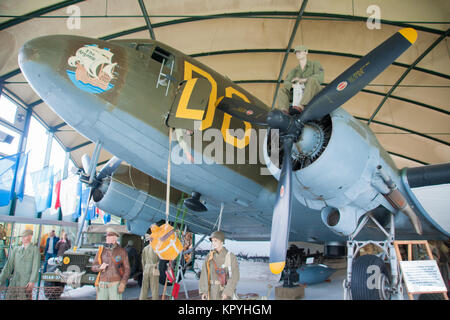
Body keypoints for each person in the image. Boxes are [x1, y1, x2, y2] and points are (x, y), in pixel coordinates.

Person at [276, 45, 324, 114]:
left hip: (314, 92)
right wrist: (293, 86)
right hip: (299, 92)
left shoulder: (315, 64)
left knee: (312, 80)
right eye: (296, 53)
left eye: (299, 52)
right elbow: (286, 82)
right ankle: (284, 111)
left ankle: (301, 106)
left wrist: (304, 80)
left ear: (306, 52)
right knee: (282, 90)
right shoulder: (294, 71)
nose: (297, 54)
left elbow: (320, 77)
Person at [0, 229, 40, 300]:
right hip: (14, 281)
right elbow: (8, 266)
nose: (23, 238)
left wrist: (32, 281)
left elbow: (35, 267)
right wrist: (1, 279)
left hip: (25, 282)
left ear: (30, 237)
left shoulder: (34, 250)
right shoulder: (16, 250)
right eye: (22, 236)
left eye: (26, 236)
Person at [91, 227, 130, 300]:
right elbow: (93, 266)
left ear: (115, 238)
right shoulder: (101, 250)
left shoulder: (122, 251)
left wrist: (123, 283)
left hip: (115, 285)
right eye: (107, 236)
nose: (107, 238)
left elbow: (127, 269)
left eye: (109, 236)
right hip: (102, 284)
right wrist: (99, 267)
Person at [199, 230, 240, 300]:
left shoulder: (230, 256)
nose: (213, 243)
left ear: (221, 241)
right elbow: (204, 274)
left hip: (223, 292)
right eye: (212, 241)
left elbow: (235, 276)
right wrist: (204, 291)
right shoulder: (209, 256)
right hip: (211, 292)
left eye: (215, 241)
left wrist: (227, 292)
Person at [139, 233, 160, 300]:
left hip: (146, 268)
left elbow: (143, 261)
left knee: (144, 287)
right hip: (154, 268)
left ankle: (142, 298)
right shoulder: (157, 248)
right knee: (154, 287)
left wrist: (144, 269)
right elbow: (160, 259)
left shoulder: (145, 248)